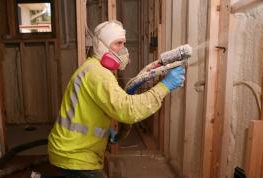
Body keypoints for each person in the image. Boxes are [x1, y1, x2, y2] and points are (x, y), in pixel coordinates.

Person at [46, 20, 185, 178]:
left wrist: (104, 131)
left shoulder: (93, 68)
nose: (123, 49)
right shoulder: (98, 74)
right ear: (102, 46)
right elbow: (128, 111)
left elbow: (92, 108)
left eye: (124, 44)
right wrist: (165, 86)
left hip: (72, 150)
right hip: (74, 155)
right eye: (118, 44)